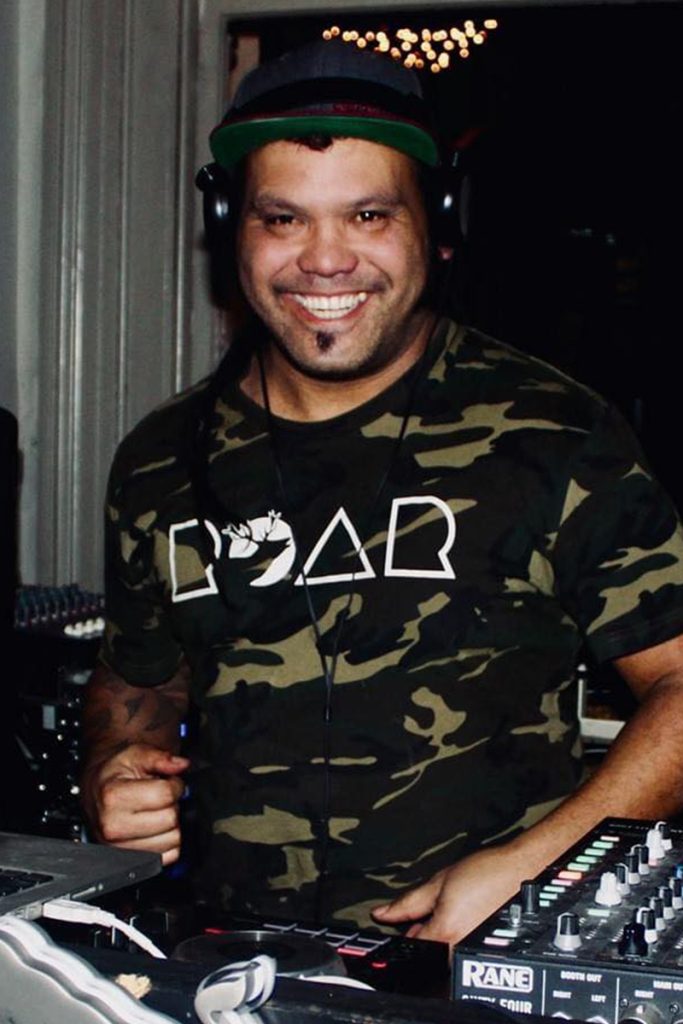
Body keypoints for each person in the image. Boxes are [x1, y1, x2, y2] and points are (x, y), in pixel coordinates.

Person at [81, 40, 683, 946]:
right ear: (230, 226)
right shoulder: (160, 458)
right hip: (224, 967)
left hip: (480, 969)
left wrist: (533, 869)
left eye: (367, 214)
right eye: (282, 218)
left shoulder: (554, 433)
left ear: (435, 223)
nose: (325, 260)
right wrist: (113, 761)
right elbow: (138, 673)